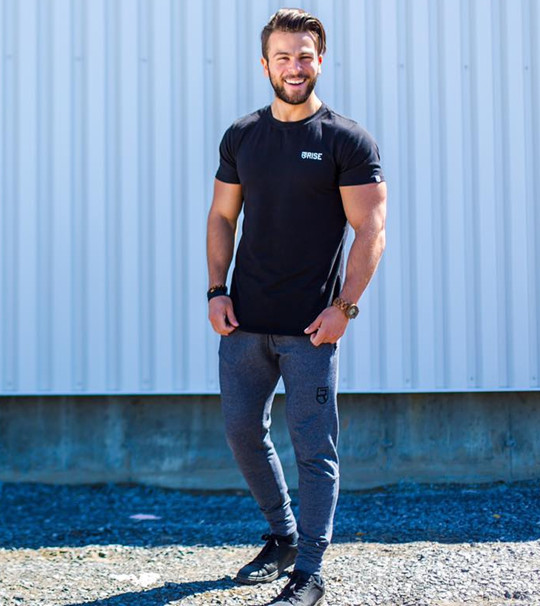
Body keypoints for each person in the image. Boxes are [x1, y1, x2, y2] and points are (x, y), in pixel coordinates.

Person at [205, 8, 387, 606]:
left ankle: (309, 570)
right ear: (265, 65)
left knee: (314, 450)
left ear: (320, 61)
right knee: (242, 433)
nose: (294, 67)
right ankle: (282, 535)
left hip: (311, 329)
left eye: (304, 56)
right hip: (244, 324)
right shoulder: (242, 135)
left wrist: (345, 308)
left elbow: (371, 230)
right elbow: (222, 215)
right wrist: (216, 289)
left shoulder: (346, 140)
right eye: (282, 57)